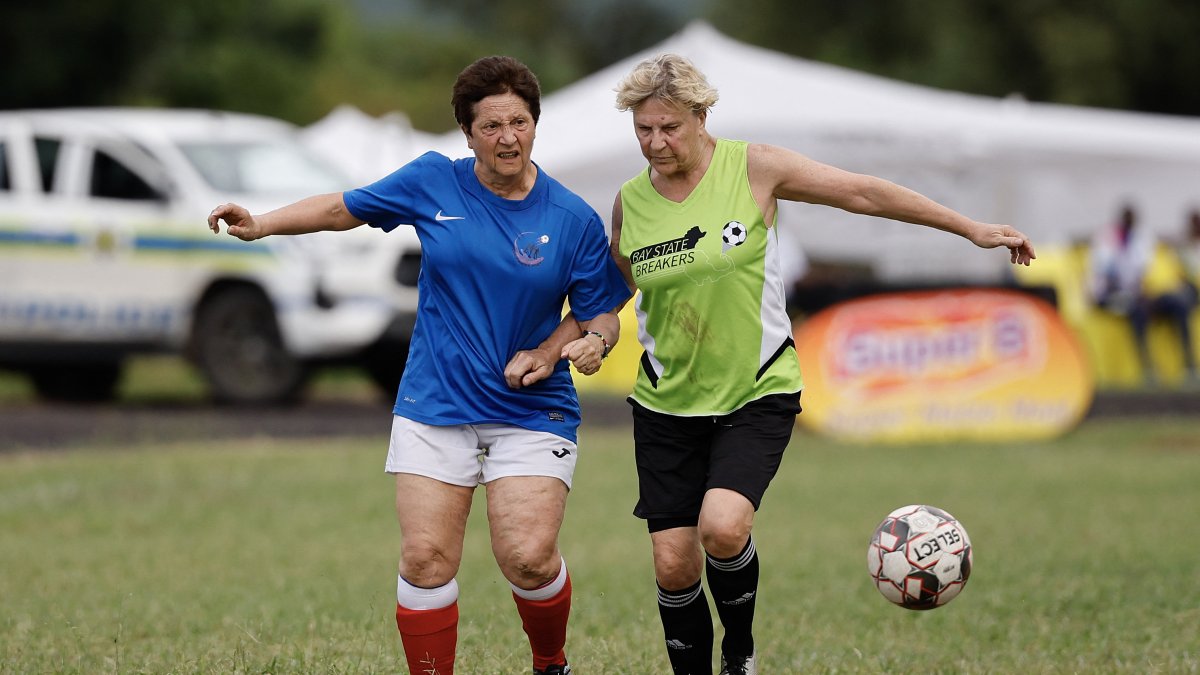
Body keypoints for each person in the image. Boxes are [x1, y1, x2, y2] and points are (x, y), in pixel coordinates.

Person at [607, 53, 1035, 675]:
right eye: (643, 129)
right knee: (674, 563)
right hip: (667, 400)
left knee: (723, 527)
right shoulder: (630, 203)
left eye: (669, 127)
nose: (655, 142)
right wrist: (583, 337)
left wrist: (968, 227)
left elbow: (863, 193)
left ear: (702, 117)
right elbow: (611, 291)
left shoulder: (754, 168)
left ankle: (742, 654)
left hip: (757, 388)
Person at [208, 55, 631, 675]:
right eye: (490, 126)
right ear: (466, 134)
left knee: (529, 558)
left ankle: (551, 663)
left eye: (518, 122)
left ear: (536, 124)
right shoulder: (434, 180)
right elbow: (341, 209)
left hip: (532, 409)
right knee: (427, 558)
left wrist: (575, 347)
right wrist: (263, 224)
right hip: (437, 401)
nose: (507, 137)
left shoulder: (571, 218)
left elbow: (601, 314)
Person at [1088, 204, 1198, 384]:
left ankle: (1190, 366)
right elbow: (1106, 276)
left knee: (1178, 305)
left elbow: (1148, 272)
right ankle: (1148, 369)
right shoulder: (1108, 239)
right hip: (1111, 295)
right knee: (1137, 311)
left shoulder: (1141, 238)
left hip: (1143, 294)